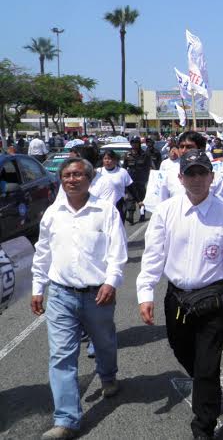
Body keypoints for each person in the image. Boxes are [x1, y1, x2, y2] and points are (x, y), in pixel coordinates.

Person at [136, 150, 223, 439]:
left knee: (207, 366)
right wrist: (145, 292)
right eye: (191, 173)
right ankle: (207, 386)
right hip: (177, 299)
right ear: (180, 178)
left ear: (212, 177)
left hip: (213, 299)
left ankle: (203, 426)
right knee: (183, 352)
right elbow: (153, 255)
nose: (197, 179)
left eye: (202, 173)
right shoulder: (166, 211)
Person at [31, 157, 127, 439]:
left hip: (98, 295)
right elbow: (42, 253)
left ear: (89, 178)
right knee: (61, 356)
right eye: (66, 176)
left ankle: (108, 376)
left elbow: (117, 252)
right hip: (61, 294)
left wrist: (111, 282)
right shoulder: (52, 213)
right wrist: (38, 288)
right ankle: (66, 419)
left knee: (104, 343)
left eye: (77, 175)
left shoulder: (105, 211)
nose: (71, 180)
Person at [160, 132, 223, 202]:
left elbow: (221, 204)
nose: (183, 150)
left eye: (189, 147)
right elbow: (163, 204)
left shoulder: (216, 178)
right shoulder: (170, 175)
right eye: (181, 147)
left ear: (201, 149)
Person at [123, 136, 153, 224]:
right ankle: (131, 216)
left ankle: (142, 214)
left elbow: (149, 167)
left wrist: (147, 177)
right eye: (133, 143)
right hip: (130, 180)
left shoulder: (145, 155)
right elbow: (124, 168)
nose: (134, 144)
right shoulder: (127, 155)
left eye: (136, 142)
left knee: (141, 198)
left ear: (139, 144)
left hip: (141, 180)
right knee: (130, 198)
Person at [98, 149, 134, 222]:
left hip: (118, 205)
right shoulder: (98, 172)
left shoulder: (122, 172)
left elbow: (131, 187)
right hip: (102, 205)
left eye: (109, 159)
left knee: (118, 226)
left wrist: (139, 201)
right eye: (105, 159)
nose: (107, 161)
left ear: (115, 160)